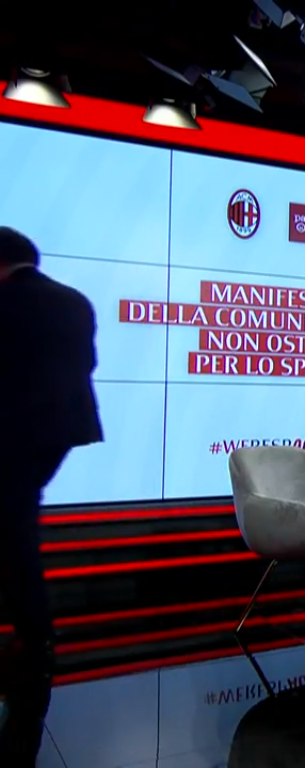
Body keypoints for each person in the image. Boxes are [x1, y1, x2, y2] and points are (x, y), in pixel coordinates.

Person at [0, 226, 103, 761]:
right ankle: (32, 632)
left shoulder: (9, 301)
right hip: (63, 428)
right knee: (16, 518)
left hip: (14, 429)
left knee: (15, 525)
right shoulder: (73, 300)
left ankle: (35, 634)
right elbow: (87, 365)